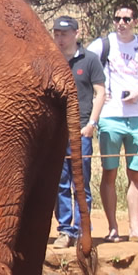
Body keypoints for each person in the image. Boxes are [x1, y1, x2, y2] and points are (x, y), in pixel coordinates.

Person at [87, 6, 138, 242]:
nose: (121, 23)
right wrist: (97, 95)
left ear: (135, 21)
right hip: (110, 117)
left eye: (126, 19)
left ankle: (135, 228)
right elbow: (84, 70)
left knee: (136, 174)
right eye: (117, 18)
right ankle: (112, 228)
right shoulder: (102, 45)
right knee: (109, 172)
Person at [51, 17, 105, 247]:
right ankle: (65, 231)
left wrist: (91, 124)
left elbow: (100, 93)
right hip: (57, 132)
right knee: (60, 183)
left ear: (76, 33)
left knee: (80, 181)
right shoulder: (51, 60)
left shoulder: (90, 60)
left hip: (81, 130)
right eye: (56, 33)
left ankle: (83, 229)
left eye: (64, 34)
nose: (60, 38)